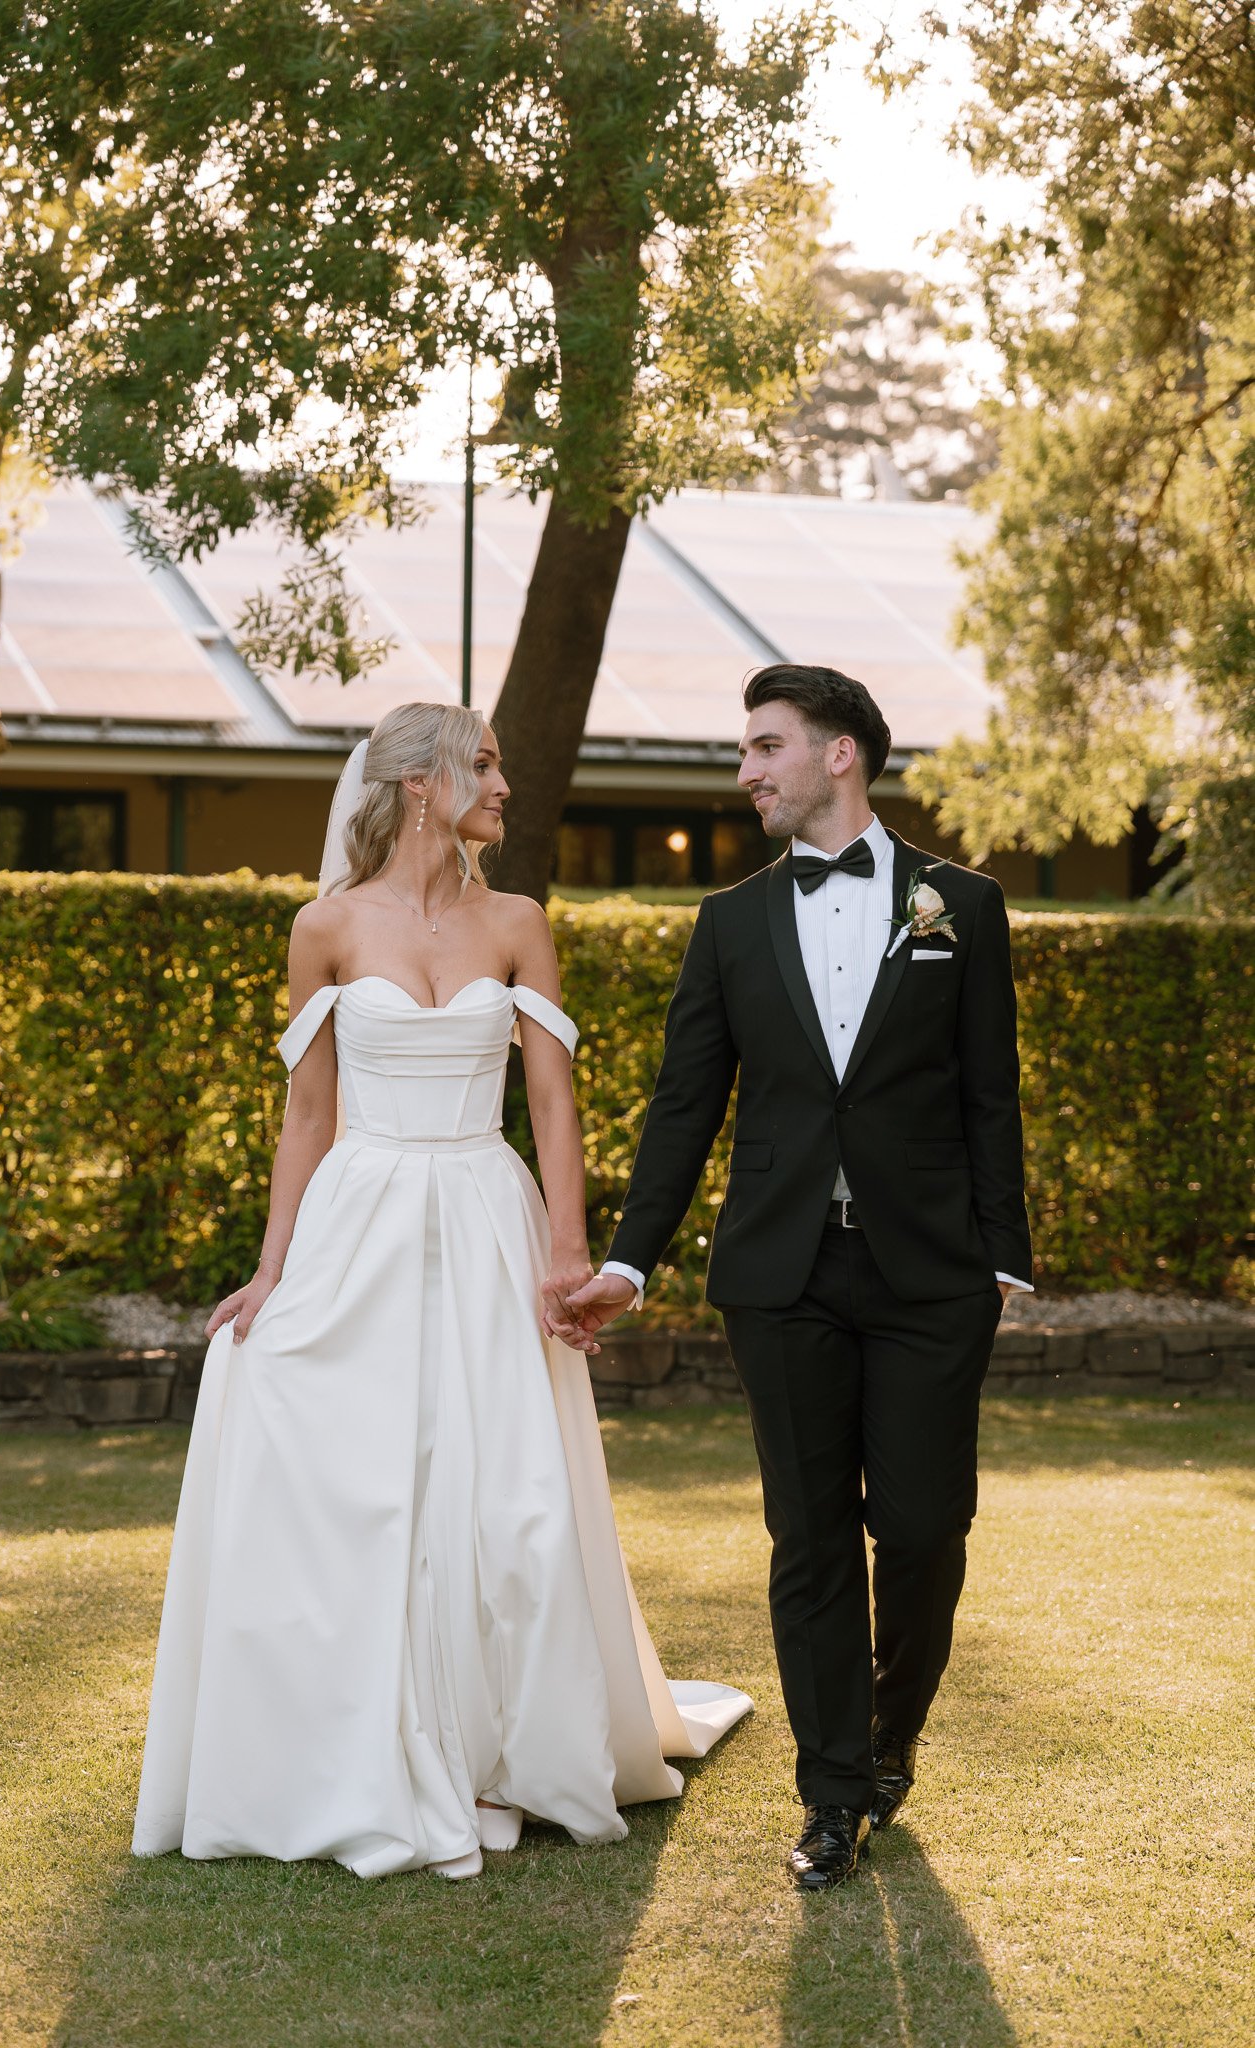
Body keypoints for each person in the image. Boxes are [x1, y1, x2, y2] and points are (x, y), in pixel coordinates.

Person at [131, 700, 749, 1879]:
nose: (505, 785)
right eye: (488, 764)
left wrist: (567, 1252)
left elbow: (555, 1104)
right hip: (360, 1219)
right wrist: (272, 1267)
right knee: (354, 1467)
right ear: (420, 783)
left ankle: (504, 1739)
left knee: (506, 1489)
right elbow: (309, 1111)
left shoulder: (517, 920)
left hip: (482, 1210)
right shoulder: (324, 927)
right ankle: (343, 1738)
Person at [566, 664, 1031, 1892]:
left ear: (840, 755)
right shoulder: (729, 920)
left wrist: (1003, 1254)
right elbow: (686, 1103)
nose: (745, 770)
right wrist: (629, 1254)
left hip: (931, 1273)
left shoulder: (961, 905)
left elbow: (991, 1089)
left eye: (764, 746)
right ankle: (833, 1792)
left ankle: (890, 1734)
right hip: (781, 1269)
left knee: (926, 1526)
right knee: (809, 1534)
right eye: (743, 749)